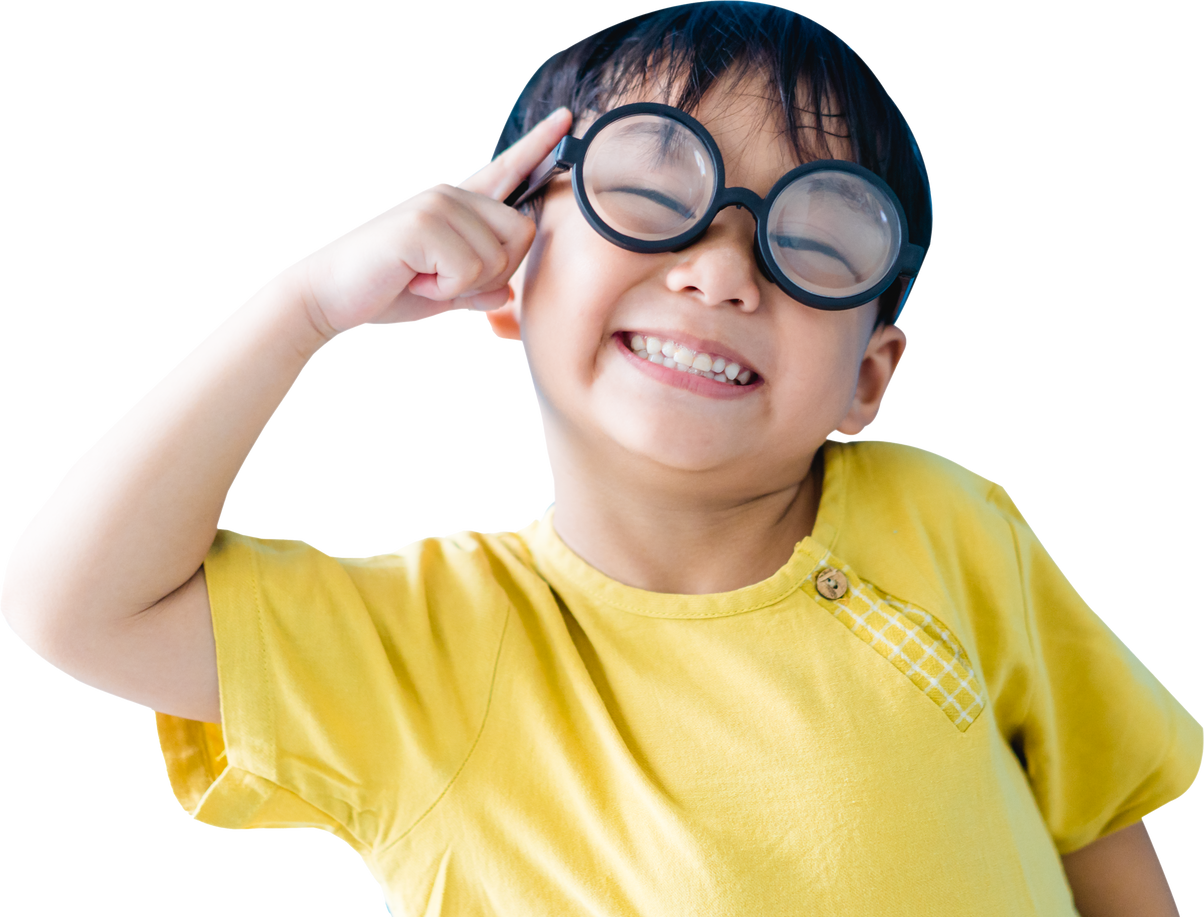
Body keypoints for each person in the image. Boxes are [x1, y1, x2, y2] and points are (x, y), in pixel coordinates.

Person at [2, 4, 1198, 915]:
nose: (723, 268)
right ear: (506, 291)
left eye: (815, 236)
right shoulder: (426, 648)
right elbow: (72, 606)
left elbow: (1088, 814)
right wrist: (307, 302)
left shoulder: (943, 522)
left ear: (869, 380)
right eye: (650, 195)